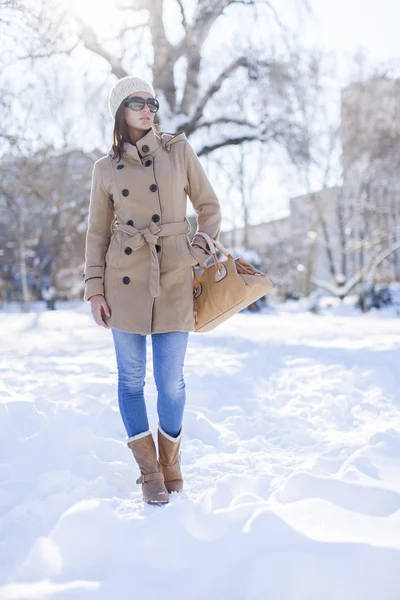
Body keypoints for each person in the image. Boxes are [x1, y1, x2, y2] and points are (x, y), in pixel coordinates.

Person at [83, 75, 222, 505]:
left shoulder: (178, 150)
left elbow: (209, 207)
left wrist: (197, 251)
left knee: (171, 383)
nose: (148, 108)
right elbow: (96, 232)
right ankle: (149, 473)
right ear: (120, 112)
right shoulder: (104, 169)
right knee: (129, 380)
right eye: (137, 102)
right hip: (122, 278)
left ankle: (172, 463)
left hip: (175, 274)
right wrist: (93, 288)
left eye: (152, 102)